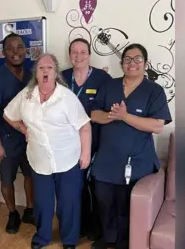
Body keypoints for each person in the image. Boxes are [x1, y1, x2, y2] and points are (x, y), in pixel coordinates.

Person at [3, 53, 92, 249]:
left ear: (55, 72)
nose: (45, 71)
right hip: (39, 159)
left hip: (68, 158)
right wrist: (24, 129)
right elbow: (8, 114)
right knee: (42, 203)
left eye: (49, 68)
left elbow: (85, 126)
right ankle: (42, 238)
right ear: (35, 72)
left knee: (68, 203)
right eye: (41, 67)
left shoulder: (66, 97)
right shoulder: (26, 95)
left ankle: (69, 240)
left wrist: (85, 154)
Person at [89, 43, 172, 249]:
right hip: (106, 161)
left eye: (137, 59)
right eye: (127, 59)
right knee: (104, 202)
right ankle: (108, 238)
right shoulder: (110, 86)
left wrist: (125, 116)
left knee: (127, 206)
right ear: (121, 63)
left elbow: (157, 125)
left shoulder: (154, 90)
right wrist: (112, 115)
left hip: (137, 161)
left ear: (144, 63)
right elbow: (93, 113)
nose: (132, 63)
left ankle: (125, 242)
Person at [0, 33, 35, 234]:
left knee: (31, 176)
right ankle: (13, 214)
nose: (16, 52)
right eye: (11, 48)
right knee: (7, 180)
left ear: (26, 50)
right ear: (3, 53)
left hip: (29, 139)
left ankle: (30, 210)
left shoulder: (31, 76)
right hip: (6, 139)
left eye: (19, 47)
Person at [61, 38, 112, 240]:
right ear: (69, 55)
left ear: (89, 55)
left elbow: (108, 111)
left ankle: (96, 228)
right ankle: (79, 226)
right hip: (67, 144)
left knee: (96, 188)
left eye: (83, 52)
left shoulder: (103, 78)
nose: (78, 56)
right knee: (75, 188)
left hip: (96, 142)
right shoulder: (62, 77)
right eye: (74, 52)